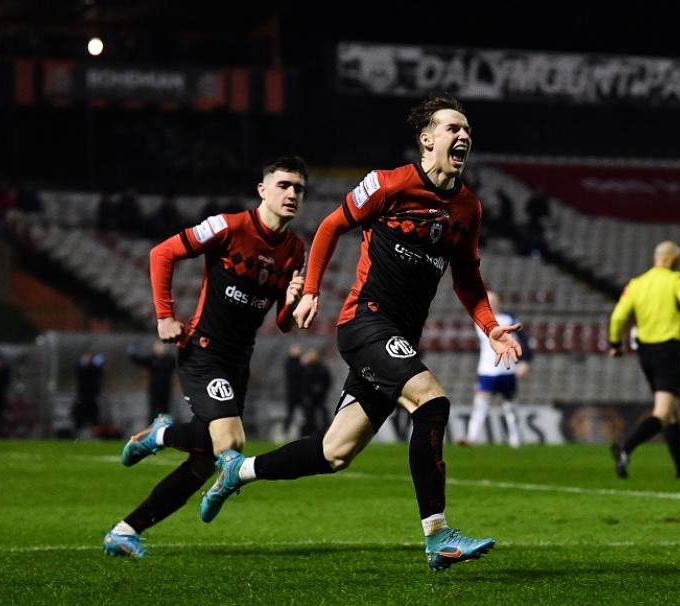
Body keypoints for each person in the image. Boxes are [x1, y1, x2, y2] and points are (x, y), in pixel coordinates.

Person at [196, 93, 523, 572]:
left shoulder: (468, 209)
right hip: (365, 321)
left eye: (467, 129)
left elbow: (468, 278)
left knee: (335, 452)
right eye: (452, 128)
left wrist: (491, 328)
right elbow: (330, 227)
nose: (463, 136)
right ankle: (438, 536)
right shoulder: (390, 184)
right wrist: (310, 290)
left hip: (399, 338)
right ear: (426, 140)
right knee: (433, 403)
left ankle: (238, 471)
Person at [102, 155, 308, 558]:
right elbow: (162, 253)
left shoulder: (296, 250)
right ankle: (159, 435)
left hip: (238, 360)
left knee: (202, 463)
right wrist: (164, 316)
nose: (291, 194)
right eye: (283, 185)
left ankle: (125, 531)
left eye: (298, 188)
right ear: (262, 190)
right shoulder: (228, 226)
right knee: (231, 441)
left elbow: (283, 323)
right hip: (204, 350)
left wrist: (292, 303)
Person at [607, 240, 680, 480]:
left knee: (673, 412)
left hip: (646, 352)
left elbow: (618, 316)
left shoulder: (636, 284)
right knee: (663, 411)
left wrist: (615, 344)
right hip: (668, 350)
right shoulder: (676, 281)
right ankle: (625, 449)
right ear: (673, 259)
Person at [459, 290, 532, 448]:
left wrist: (524, 362)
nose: (491, 302)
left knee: (510, 406)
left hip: (507, 369)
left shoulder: (509, 319)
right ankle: (471, 438)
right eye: (488, 299)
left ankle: (515, 440)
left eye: (493, 299)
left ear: (499, 302)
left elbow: (524, 341)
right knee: (480, 403)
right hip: (487, 370)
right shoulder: (480, 319)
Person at [127, 340, 177, 424]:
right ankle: (150, 428)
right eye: (158, 347)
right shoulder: (151, 359)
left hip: (166, 388)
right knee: (153, 409)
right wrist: (132, 354)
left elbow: (181, 363)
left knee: (166, 410)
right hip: (154, 389)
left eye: (162, 347)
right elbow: (138, 361)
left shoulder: (170, 359)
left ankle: (166, 428)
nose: (160, 349)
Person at [300, 346, 332, 438]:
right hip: (309, 396)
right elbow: (300, 381)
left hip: (320, 396)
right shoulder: (305, 368)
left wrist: (322, 389)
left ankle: (324, 431)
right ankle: (310, 432)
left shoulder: (322, 367)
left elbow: (328, 380)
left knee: (323, 414)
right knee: (309, 416)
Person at [73, 350, 105, 436]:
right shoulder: (83, 369)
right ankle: (77, 434)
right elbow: (81, 372)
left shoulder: (94, 369)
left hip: (92, 397)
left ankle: (96, 434)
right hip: (83, 397)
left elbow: (99, 373)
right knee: (80, 416)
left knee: (94, 418)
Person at [281, 342, 306, 440]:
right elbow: (293, 372)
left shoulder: (301, 363)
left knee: (304, 414)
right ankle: (285, 432)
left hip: (301, 393)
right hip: (292, 392)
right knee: (290, 413)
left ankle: (303, 433)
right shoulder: (290, 362)